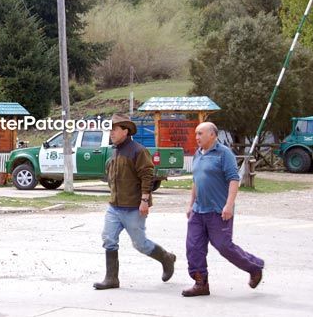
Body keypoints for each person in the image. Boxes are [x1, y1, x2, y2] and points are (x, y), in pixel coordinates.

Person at [94, 113, 176, 290]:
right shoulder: (114, 150)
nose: (111, 133)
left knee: (141, 244)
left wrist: (145, 200)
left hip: (133, 208)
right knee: (108, 238)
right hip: (114, 207)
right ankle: (111, 279)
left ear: (125, 130)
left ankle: (166, 258)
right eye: (110, 130)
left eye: (114, 129)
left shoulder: (138, 150)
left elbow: (147, 175)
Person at [182, 122, 265, 297]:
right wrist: (190, 204)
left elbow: (234, 179)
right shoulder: (198, 154)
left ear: (213, 135)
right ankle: (200, 283)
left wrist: (229, 204)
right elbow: (196, 181)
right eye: (196, 134)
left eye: (200, 133)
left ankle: (254, 267)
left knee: (223, 246)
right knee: (193, 247)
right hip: (198, 211)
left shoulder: (224, 154)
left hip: (218, 211)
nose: (197, 137)